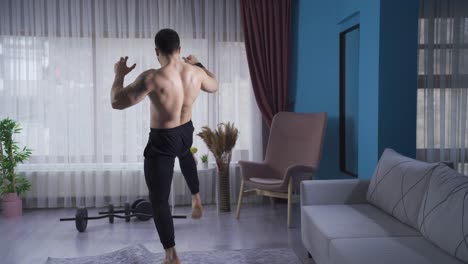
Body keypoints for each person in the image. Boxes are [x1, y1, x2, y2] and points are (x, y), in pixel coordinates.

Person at [110, 28, 219, 264]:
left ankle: (171, 255)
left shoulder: (152, 77)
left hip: (162, 140)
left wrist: (119, 74)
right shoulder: (196, 73)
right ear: (179, 50)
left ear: (156, 51)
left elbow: (116, 102)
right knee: (184, 154)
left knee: (158, 200)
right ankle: (196, 195)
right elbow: (214, 85)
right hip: (185, 132)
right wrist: (199, 63)